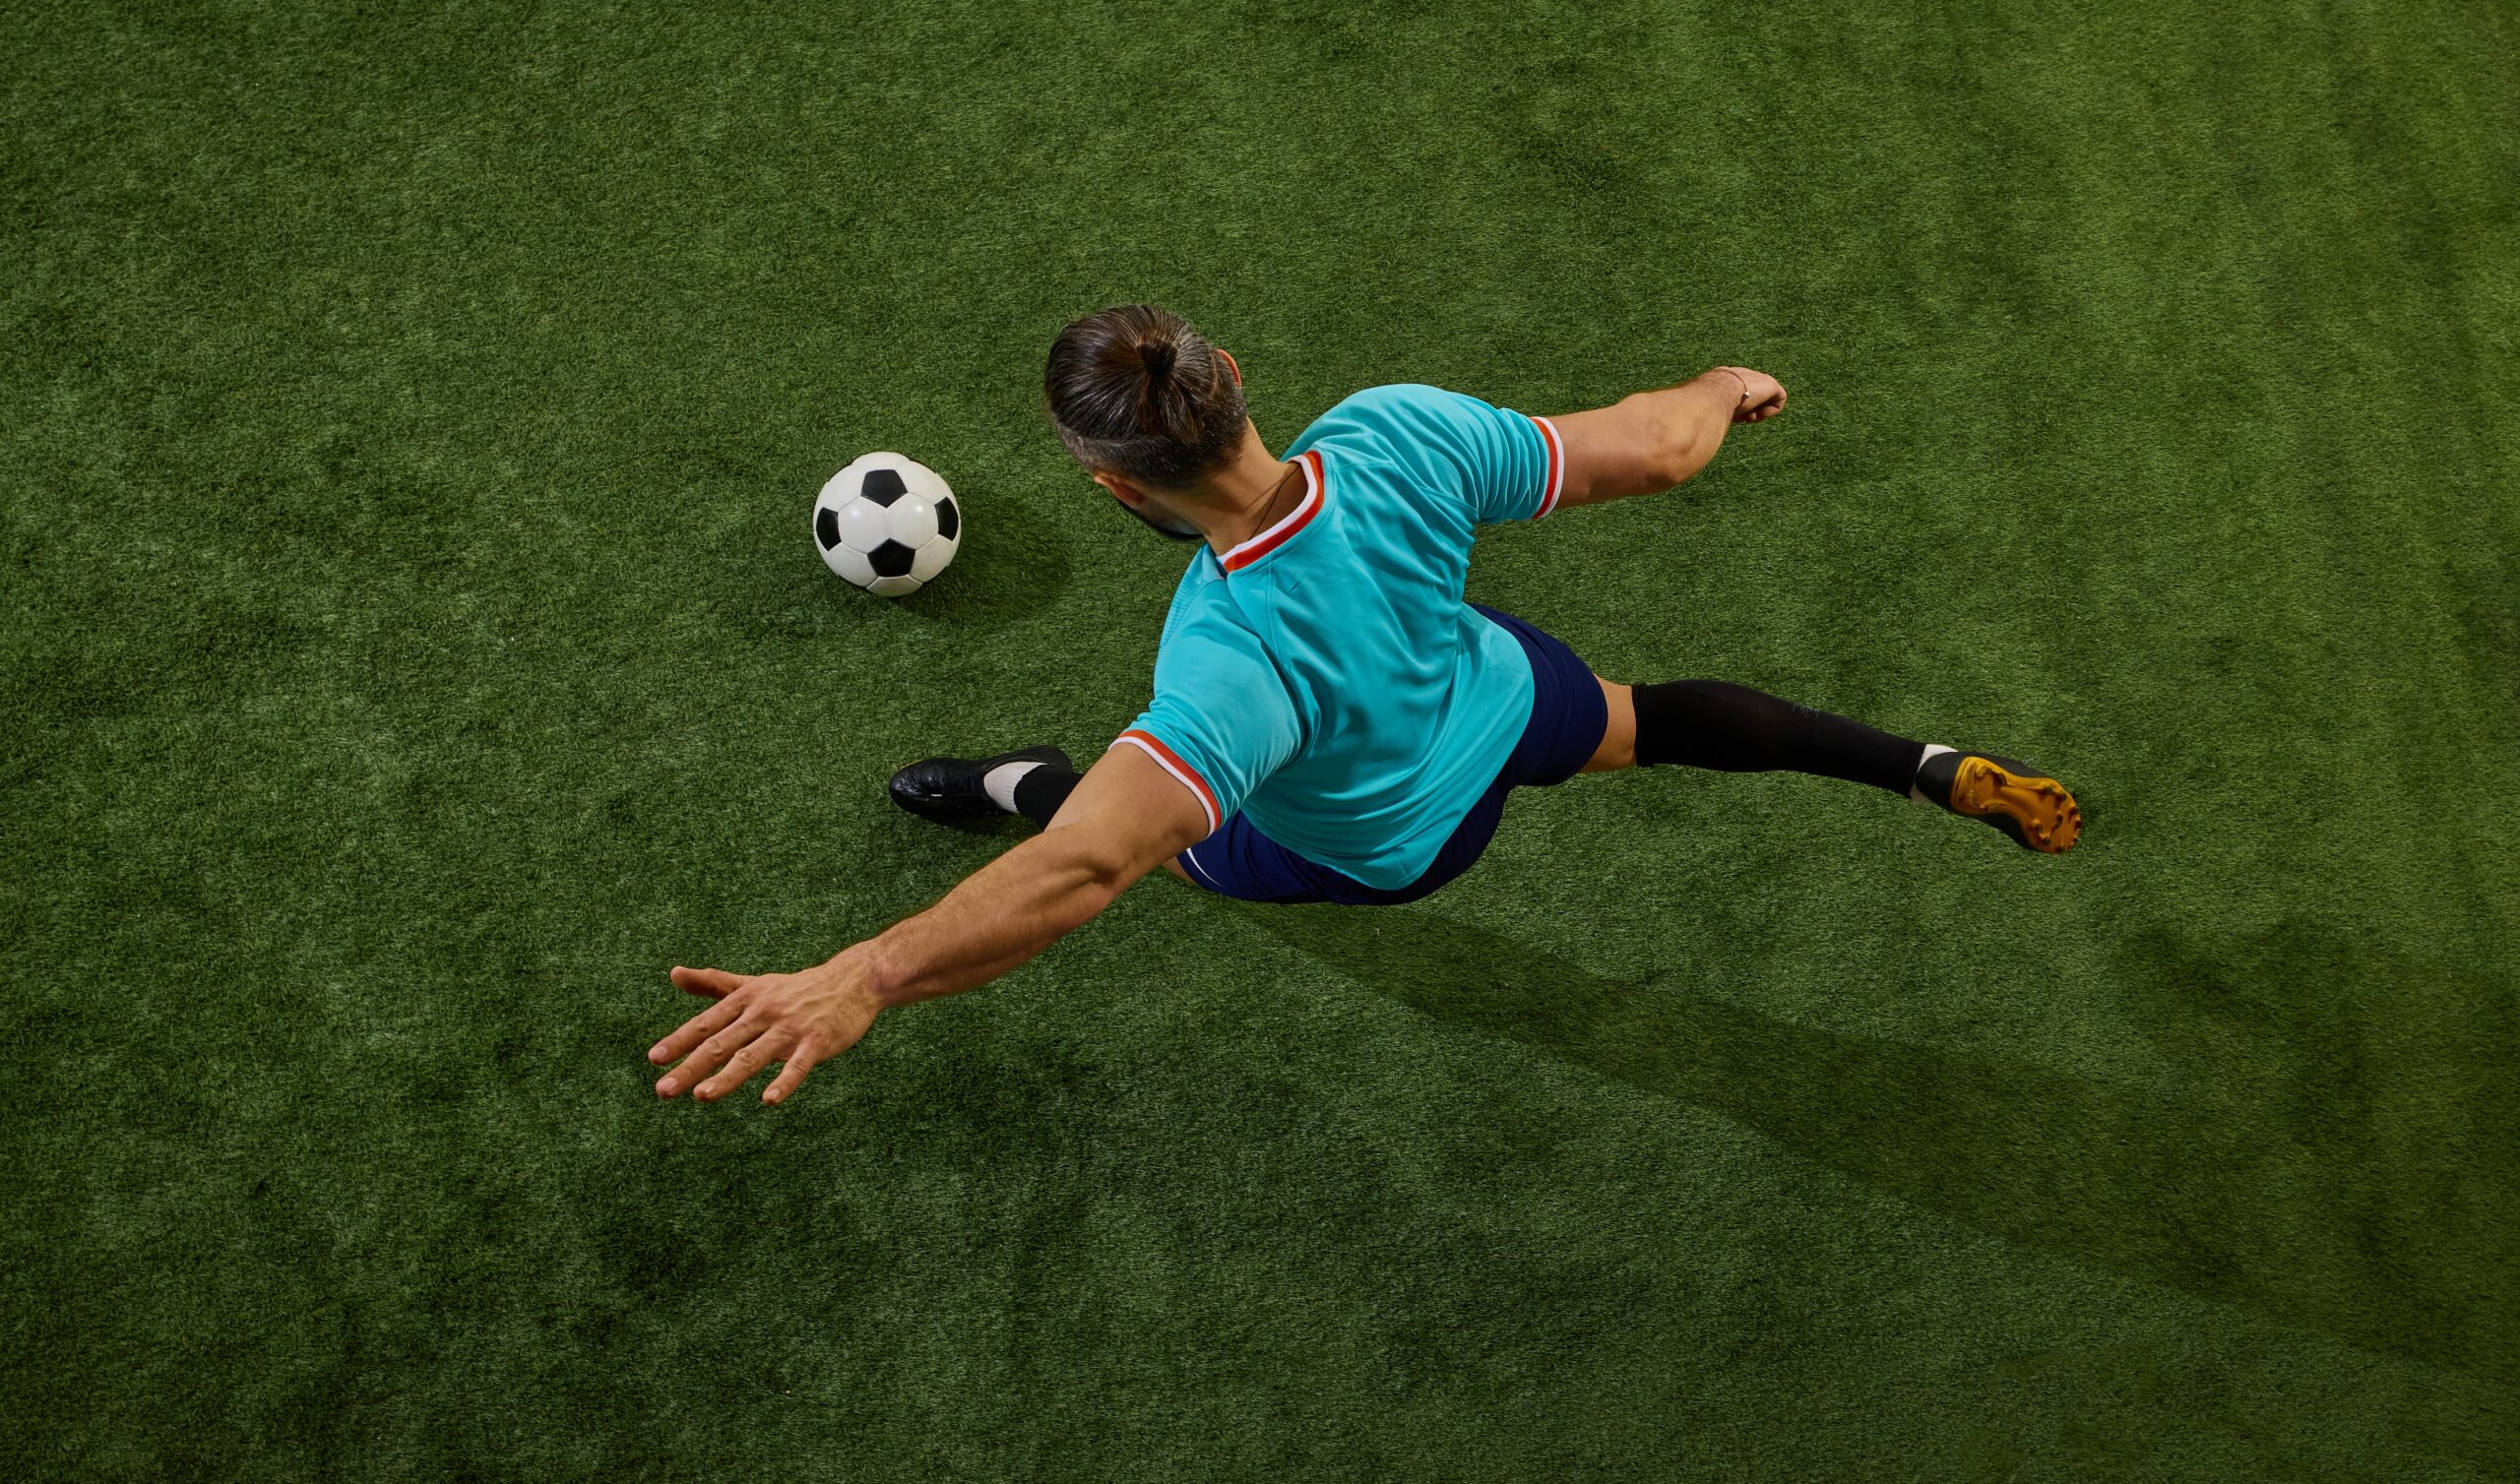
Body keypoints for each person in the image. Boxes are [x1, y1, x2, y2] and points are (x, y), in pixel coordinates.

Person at [648, 304, 2081, 1104]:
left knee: (1147, 830)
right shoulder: (1392, 434)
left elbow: (1088, 865)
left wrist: (868, 973)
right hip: (1505, 694)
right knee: (1654, 722)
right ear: (1238, 380)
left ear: (1113, 487)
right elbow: (1653, 447)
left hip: (1385, 843)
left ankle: (1016, 777)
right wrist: (1724, 378)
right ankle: (1929, 766)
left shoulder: (1223, 659)